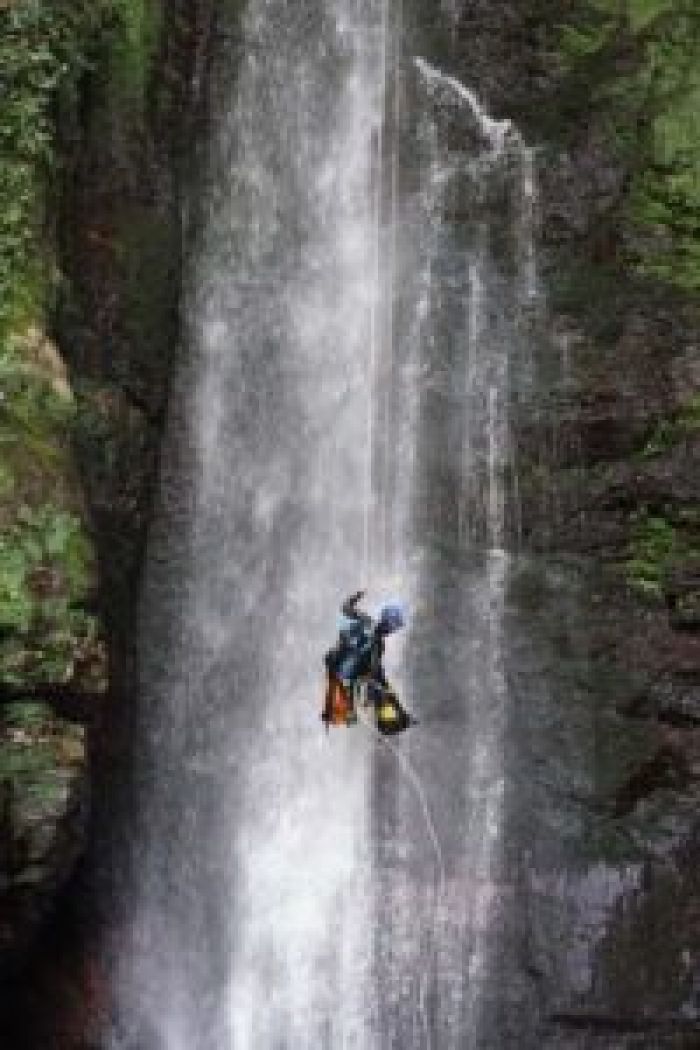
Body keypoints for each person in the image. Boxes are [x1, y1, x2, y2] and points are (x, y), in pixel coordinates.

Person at [323, 590, 414, 733]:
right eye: (392, 625)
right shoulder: (369, 628)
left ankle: (394, 719)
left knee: (380, 685)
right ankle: (384, 720)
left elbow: (346, 608)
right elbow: (347, 609)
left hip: (348, 670)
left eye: (394, 627)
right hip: (346, 669)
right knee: (377, 686)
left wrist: (400, 710)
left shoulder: (374, 636)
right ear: (386, 620)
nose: (391, 630)